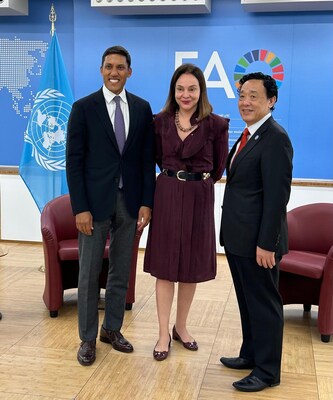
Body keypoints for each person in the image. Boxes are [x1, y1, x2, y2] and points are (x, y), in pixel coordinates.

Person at [66, 45, 155, 366]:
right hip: (93, 205)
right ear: (101, 70)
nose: (114, 72)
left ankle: (112, 329)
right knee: (89, 273)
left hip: (130, 203)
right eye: (108, 67)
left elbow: (147, 161)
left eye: (120, 67)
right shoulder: (83, 108)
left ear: (129, 71)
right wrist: (80, 208)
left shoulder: (143, 109)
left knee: (121, 270)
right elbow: (73, 162)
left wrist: (147, 202)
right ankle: (87, 339)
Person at [144, 63, 229, 361]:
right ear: (173, 91)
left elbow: (218, 167)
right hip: (166, 194)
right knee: (166, 268)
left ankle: (182, 327)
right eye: (180, 89)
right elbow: (153, 158)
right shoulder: (159, 122)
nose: (186, 94)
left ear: (201, 91)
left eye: (192, 88)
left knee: (190, 266)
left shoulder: (216, 124)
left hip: (199, 197)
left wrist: (195, 184)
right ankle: (163, 333)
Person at [219, 72, 293, 392]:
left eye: (253, 96)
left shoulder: (276, 138)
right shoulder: (248, 134)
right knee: (248, 302)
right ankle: (250, 354)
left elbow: (277, 197)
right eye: (242, 95)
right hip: (238, 239)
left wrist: (267, 243)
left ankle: (267, 371)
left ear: (271, 101)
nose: (245, 102)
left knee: (264, 305)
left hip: (258, 243)